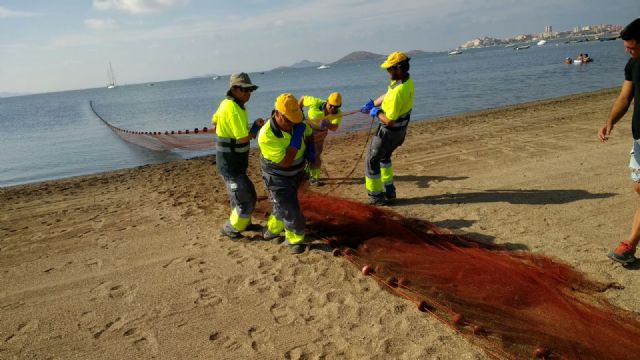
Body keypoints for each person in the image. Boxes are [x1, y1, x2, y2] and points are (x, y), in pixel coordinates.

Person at [598, 18, 640, 265]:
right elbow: (625, 97)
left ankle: (629, 245)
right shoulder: (633, 65)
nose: (628, 51)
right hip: (639, 137)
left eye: (632, 47)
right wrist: (610, 121)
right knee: (638, 187)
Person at [258, 93, 315, 254]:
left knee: (281, 204)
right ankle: (295, 239)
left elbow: (309, 134)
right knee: (291, 208)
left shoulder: (297, 123)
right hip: (277, 175)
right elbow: (285, 162)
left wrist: (311, 151)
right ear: (277, 114)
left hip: (297, 172)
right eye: (288, 120)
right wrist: (296, 139)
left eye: (295, 121)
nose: (292, 124)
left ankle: (273, 229)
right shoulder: (266, 135)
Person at [211, 73, 264, 239]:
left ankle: (245, 223)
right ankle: (231, 228)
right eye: (244, 90)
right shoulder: (233, 109)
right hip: (230, 164)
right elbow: (242, 137)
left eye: (250, 90)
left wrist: (225, 130)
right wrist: (255, 128)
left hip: (233, 163)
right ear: (234, 89)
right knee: (246, 198)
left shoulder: (227, 104)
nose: (248, 93)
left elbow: (214, 121)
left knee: (240, 196)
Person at [360, 51, 415, 205]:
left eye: (389, 69)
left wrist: (375, 112)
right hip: (400, 133)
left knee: (371, 161)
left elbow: (389, 121)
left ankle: (376, 197)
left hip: (389, 132)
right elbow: (387, 95)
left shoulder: (399, 92)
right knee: (385, 158)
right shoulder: (405, 81)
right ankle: (389, 191)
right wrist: (373, 103)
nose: (387, 72)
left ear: (398, 68)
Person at [298, 92, 343, 186]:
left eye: (336, 106)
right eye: (331, 105)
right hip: (306, 130)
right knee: (304, 153)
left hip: (320, 134)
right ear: (327, 102)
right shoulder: (315, 102)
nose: (333, 108)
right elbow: (302, 98)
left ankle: (313, 177)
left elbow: (334, 128)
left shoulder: (338, 113)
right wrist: (299, 112)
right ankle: (308, 175)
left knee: (316, 155)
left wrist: (327, 123)